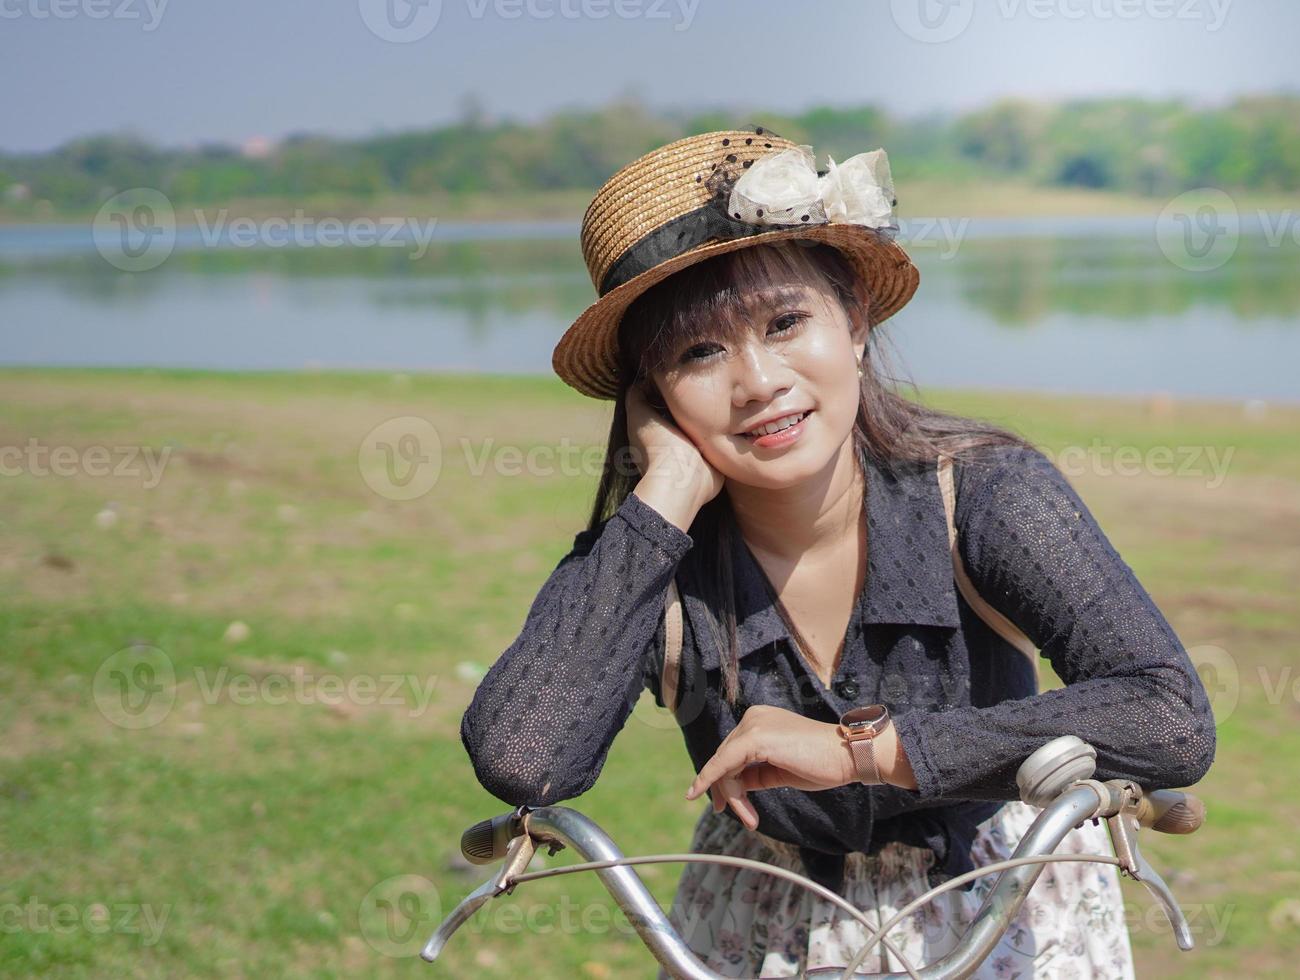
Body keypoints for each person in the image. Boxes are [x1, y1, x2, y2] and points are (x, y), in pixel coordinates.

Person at [458, 128, 1216, 978]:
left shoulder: (985, 493)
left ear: (853, 321)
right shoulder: (648, 561)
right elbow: (525, 759)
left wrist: (866, 753)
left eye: (785, 323)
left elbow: (1166, 717)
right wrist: (661, 497)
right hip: (760, 925)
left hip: (1001, 909)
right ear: (654, 394)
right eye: (698, 352)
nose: (758, 382)